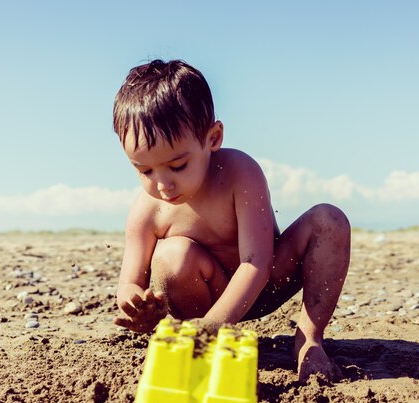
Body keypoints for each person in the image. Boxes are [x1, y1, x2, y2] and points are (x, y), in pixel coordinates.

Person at [112, 59, 351, 382]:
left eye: (178, 166)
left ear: (213, 138)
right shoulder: (147, 209)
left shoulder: (238, 173)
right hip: (200, 303)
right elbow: (129, 283)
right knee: (171, 255)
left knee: (329, 220)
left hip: (263, 285)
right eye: (145, 171)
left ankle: (308, 339)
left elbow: (256, 262)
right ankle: (197, 341)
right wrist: (136, 305)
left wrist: (217, 326)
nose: (163, 184)